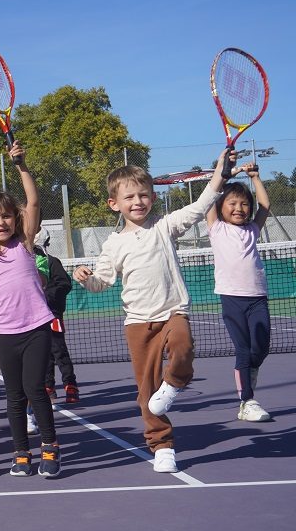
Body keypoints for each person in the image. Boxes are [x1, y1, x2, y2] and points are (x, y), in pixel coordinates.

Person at [73, 148, 233, 474]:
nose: (138, 201)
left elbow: (201, 206)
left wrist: (220, 173)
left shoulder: (165, 226)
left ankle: (173, 383)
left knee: (184, 347)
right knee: (145, 390)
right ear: (114, 204)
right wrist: (87, 280)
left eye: (144, 195)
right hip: (137, 324)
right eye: (129, 196)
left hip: (173, 312)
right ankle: (162, 445)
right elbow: (102, 281)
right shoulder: (114, 244)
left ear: (152, 197)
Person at [0, 142, 61, 478]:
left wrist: (21, 166)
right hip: (4, 334)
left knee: (35, 389)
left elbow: (33, 201)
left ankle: (49, 448)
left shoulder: (25, 243)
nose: (0, 222)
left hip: (36, 329)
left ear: (15, 218)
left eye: (6, 215)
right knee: (14, 396)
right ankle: (22, 454)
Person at [206, 162, 272, 422]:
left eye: (244, 204)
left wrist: (255, 177)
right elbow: (210, 197)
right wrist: (224, 175)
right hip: (232, 298)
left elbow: (265, 206)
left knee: (262, 348)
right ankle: (247, 401)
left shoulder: (253, 230)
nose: (239, 208)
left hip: (258, 298)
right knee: (243, 350)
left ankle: (248, 373)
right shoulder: (217, 228)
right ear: (222, 208)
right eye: (232, 203)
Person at [33, 229, 78, 406]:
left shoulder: (52, 262)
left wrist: (47, 296)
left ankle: (70, 385)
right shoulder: (27, 262)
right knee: (43, 355)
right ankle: (48, 387)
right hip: (35, 318)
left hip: (52, 315)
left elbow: (64, 284)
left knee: (59, 351)